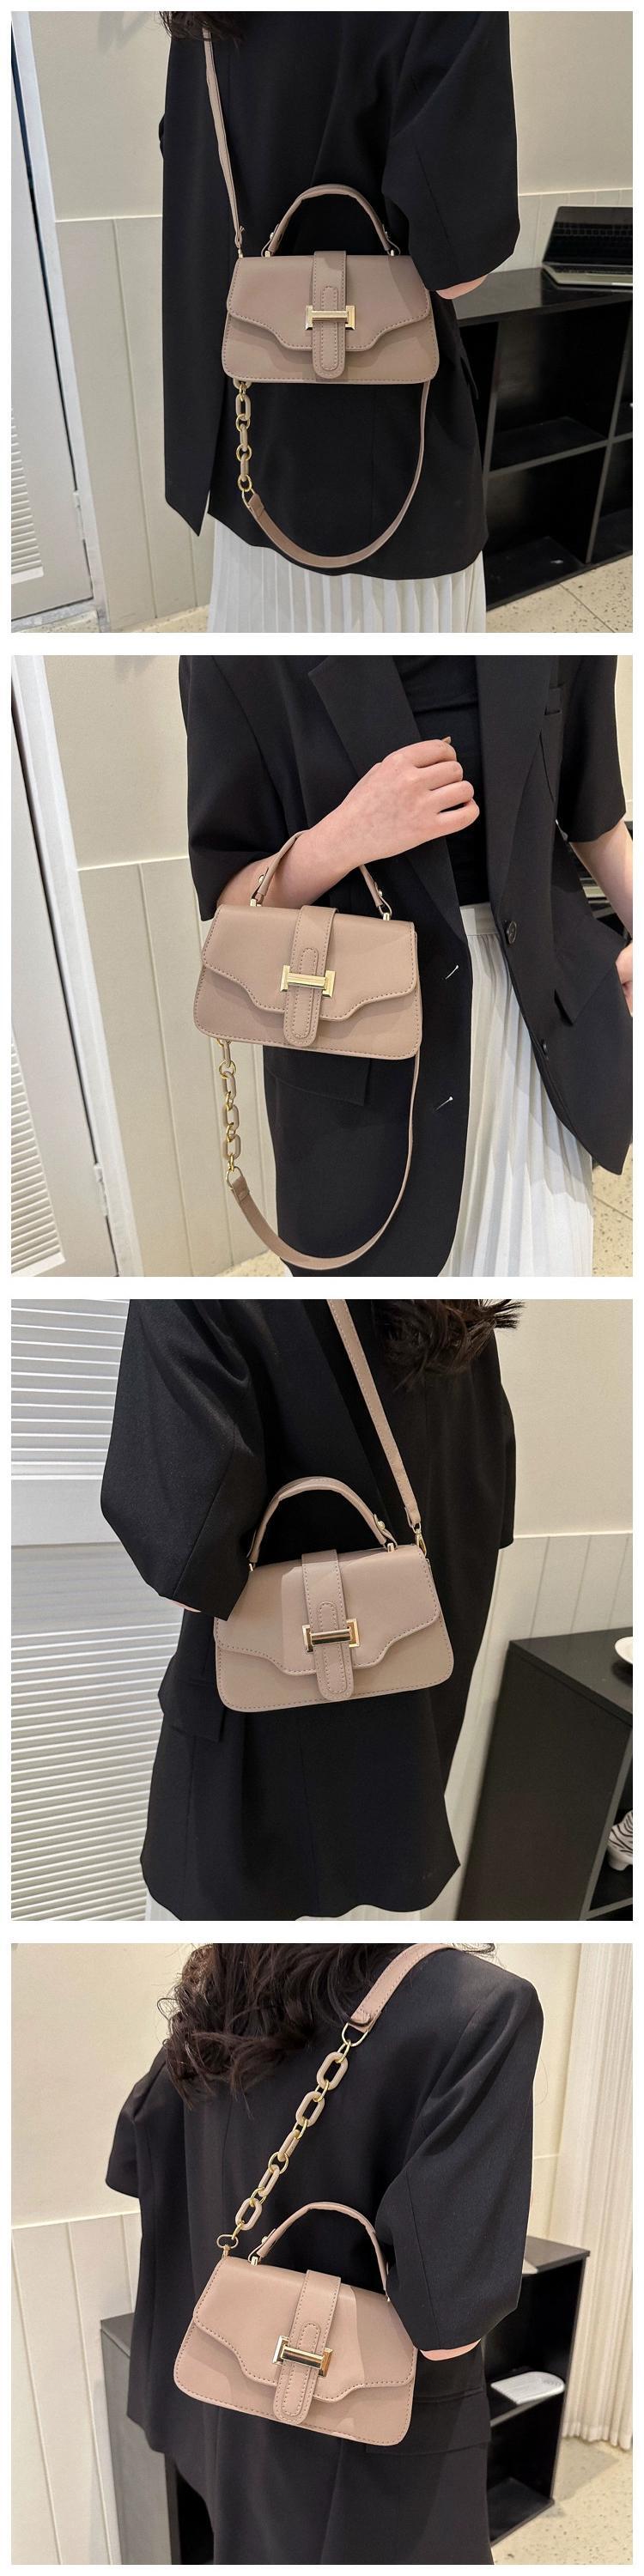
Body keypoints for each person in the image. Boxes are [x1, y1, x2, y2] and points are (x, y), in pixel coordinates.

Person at [181, 653, 633, 1277]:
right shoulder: (240, 662)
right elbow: (234, 906)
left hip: (538, 1035)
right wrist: (345, 835)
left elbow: (593, 818)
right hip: (358, 1054)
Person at [107, 1940, 544, 2564]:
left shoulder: (219, 1986)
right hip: (362, 2459)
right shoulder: (480, 2009)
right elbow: (447, 2323)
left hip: (220, 2408)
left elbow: (132, 2161)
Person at [100, 1298, 517, 1918]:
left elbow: (187, 1560)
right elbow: (485, 1519)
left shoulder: (195, 1300)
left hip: (254, 1799)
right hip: (405, 1785)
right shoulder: (463, 1323)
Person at [160, 11, 519, 633]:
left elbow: (195, 167)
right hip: (391, 467)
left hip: (246, 444)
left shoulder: (205, 15)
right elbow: (457, 265)